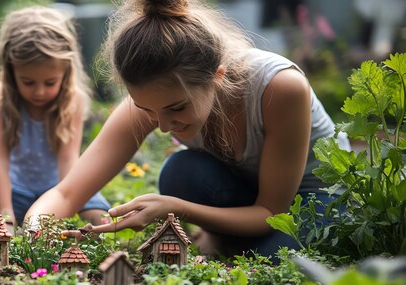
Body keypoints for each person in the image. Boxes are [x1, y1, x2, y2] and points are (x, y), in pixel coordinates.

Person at [26, 0, 351, 258]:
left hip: (311, 200)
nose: (164, 126)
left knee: (275, 261)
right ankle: (228, 242)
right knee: (180, 172)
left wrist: (175, 208)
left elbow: (271, 210)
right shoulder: (156, 98)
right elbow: (68, 192)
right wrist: (34, 231)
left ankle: (228, 243)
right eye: (148, 110)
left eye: (177, 108)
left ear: (218, 76)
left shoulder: (279, 88)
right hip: (249, 198)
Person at [0, 6, 110, 227]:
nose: (39, 92)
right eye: (28, 82)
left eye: (50, 83)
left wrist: (63, 209)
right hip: (16, 190)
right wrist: (6, 216)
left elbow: (68, 160)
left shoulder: (72, 100)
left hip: (61, 186)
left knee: (100, 220)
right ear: (11, 71)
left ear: (65, 72)